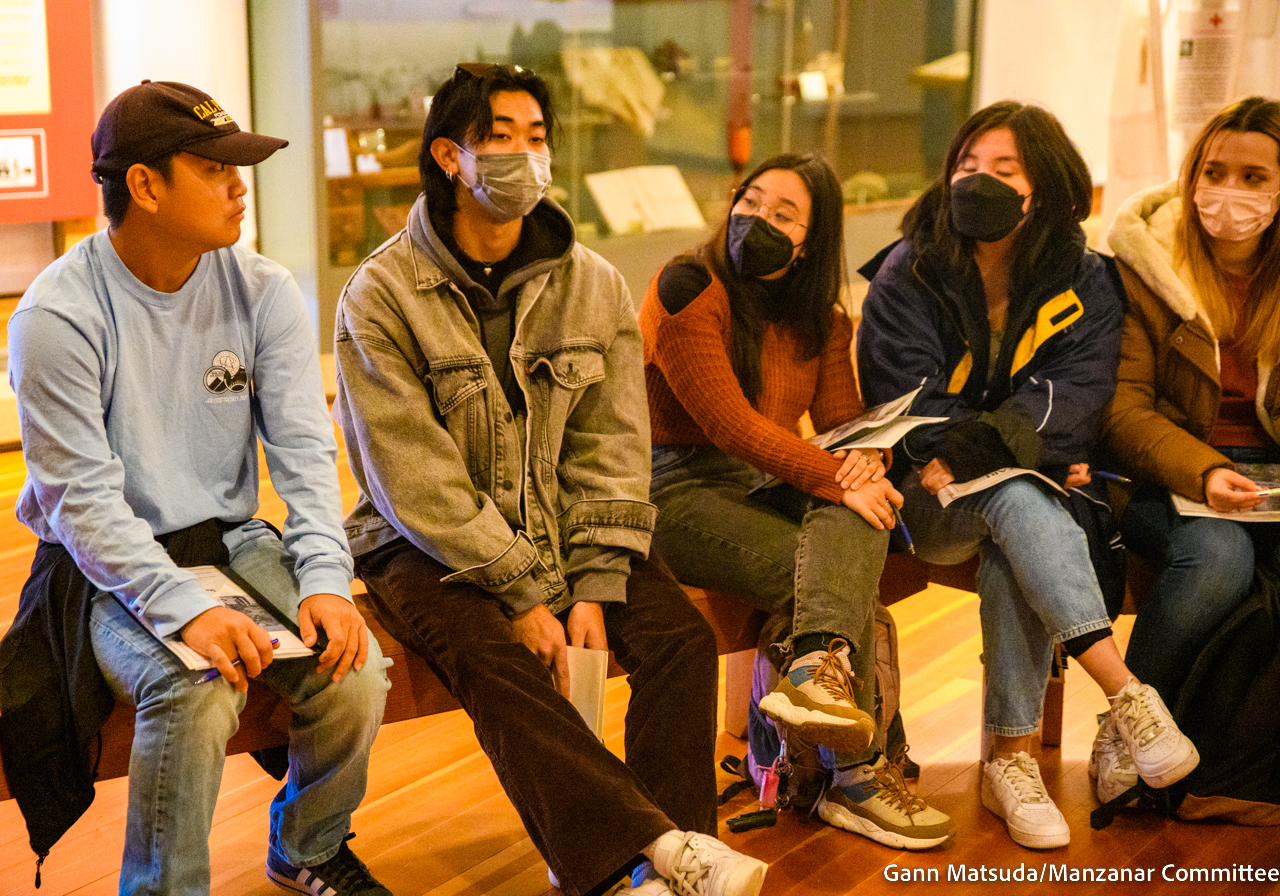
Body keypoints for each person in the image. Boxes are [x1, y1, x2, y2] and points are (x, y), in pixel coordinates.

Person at [331, 63, 767, 896]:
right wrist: (525, 593)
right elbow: (412, 478)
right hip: (422, 543)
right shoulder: (381, 294)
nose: (525, 155)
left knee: (678, 638)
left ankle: (671, 874)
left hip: (566, 524)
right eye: (500, 137)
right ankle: (650, 856)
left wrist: (594, 581)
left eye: (537, 137)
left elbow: (611, 442)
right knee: (498, 659)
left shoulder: (591, 283)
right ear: (449, 156)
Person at [2, 80, 391, 896]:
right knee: (196, 687)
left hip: (230, 540)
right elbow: (82, 504)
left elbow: (304, 451)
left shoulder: (262, 288)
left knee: (353, 672)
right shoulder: (56, 316)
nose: (238, 187)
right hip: (101, 568)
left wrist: (326, 578)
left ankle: (309, 844)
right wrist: (187, 610)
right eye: (215, 169)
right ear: (144, 186)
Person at [856, 101, 1200, 849]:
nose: (977, 180)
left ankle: (1010, 761)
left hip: (1029, 496)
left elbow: (1076, 396)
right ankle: (1127, 696)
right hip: (924, 499)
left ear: (1044, 187)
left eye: (1004, 169)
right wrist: (1017, 450)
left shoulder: (1086, 278)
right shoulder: (907, 269)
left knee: (1015, 516)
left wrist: (994, 447)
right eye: (967, 165)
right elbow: (906, 403)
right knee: (1020, 490)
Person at [639, 152, 954, 850]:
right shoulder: (688, 288)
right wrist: (838, 475)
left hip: (762, 483)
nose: (757, 219)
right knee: (837, 582)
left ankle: (815, 684)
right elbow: (729, 425)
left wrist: (866, 459)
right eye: (751, 201)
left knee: (860, 508)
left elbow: (844, 424)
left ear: (810, 242)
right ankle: (857, 775)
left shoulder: (824, 322)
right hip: (677, 488)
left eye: (783, 215)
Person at [1102, 97, 1280, 798]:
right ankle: (1127, 729)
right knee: (1217, 556)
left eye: (1254, 177)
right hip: (1162, 478)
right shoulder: (1145, 267)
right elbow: (1123, 411)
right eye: (1215, 171)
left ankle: (1245, 765)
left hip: (1269, 479)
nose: (1229, 192)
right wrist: (1204, 471)